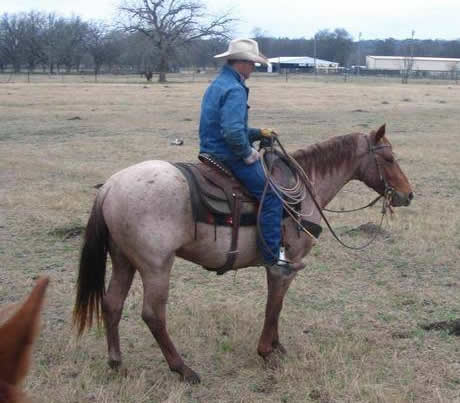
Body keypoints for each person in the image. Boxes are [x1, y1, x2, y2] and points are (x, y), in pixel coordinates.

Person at [199, 38, 306, 276]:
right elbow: (232, 133)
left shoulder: (219, 83)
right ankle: (272, 259)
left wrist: (258, 133)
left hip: (210, 150)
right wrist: (248, 154)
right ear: (242, 63)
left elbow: (223, 126)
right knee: (273, 196)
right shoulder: (235, 89)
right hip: (227, 154)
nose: (254, 69)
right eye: (252, 64)